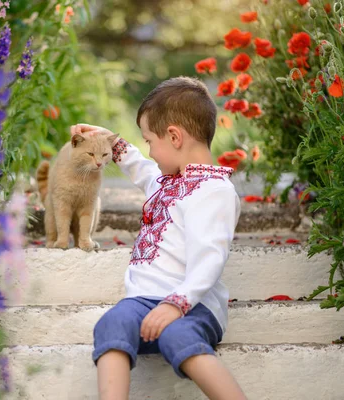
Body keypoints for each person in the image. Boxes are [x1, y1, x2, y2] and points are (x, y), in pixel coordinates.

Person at [70, 76, 247, 400]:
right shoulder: (166, 182)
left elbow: (210, 256)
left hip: (193, 306)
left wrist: (176, 304)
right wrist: (103, 137)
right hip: (142, 302)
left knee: (177, 335)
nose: (149, 151)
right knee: (111, 324)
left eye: (151, 141)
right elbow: (138, 165)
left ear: (175, 137)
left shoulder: (214, 191)